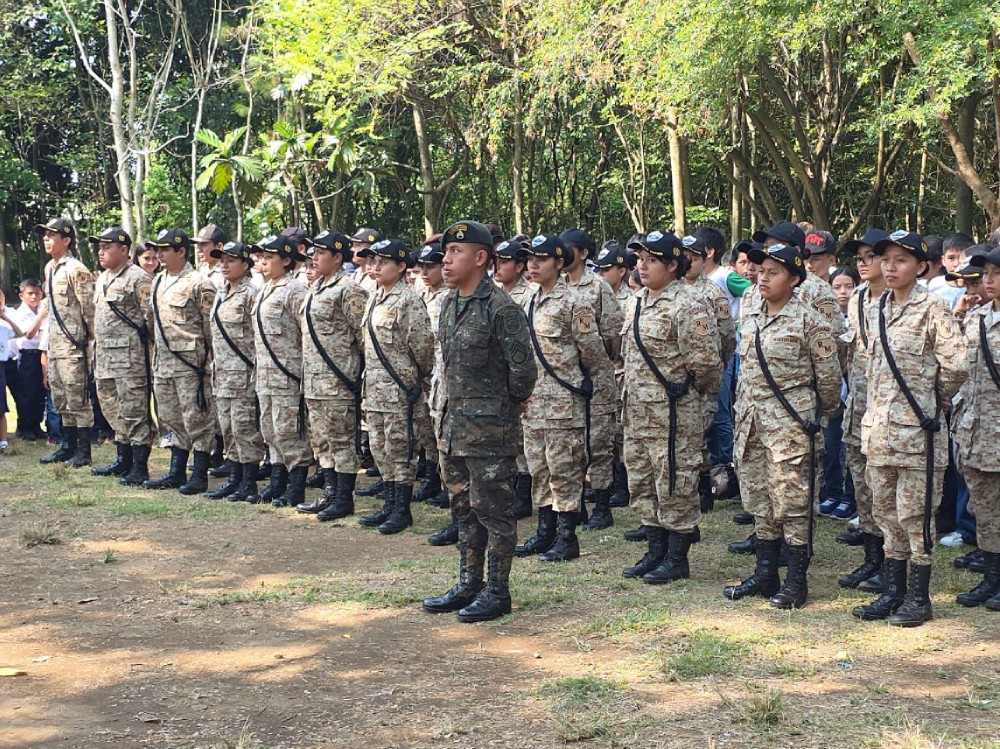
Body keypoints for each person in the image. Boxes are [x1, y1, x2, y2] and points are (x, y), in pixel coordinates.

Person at [422, 220, 536, 622]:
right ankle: (468, 582)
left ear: (481, 258)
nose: (446, 260)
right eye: (446, 252)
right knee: (463, 511)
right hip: (453, 427)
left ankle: (497, 590)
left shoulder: (501, 309)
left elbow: (524, 373)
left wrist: (506, 404)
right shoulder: (450, 303)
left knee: (494, 511)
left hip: (489, 430)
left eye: (456, 252)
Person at [853, 231, 967, 627]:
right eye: (885, 259)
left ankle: (919, 599)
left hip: (918, 432)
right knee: (885, 513)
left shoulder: (933, 308)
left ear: (920, 267)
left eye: (900, 260)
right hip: (880, 431)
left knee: (915, 517)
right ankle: (893, 592)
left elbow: (956, 365)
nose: (890, 267)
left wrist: (935, 398)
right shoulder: (875, 308)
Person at [723, 243, 841, 609]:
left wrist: (812, 417)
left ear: (793, 279)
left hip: (791, 427)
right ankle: (765, 574)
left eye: (773, 272)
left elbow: (830, 383)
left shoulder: (810, 321)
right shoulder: (751, 313)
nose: (762, 278)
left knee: (793, 504)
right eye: (760, 271)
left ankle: (796, 581)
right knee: (760, 501)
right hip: (753, 425)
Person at [620, 230, 720, 584]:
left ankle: (677, 558)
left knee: (675, 482)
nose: (641, 266)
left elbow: (707, 365)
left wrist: (690, 395)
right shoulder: (636, 301)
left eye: (651, 260)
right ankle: (655, 550)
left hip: (674, 413)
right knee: (643, 480)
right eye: (639, 259)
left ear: (673, 265)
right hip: (636, 412)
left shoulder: (689, 305)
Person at [515, 233, 606, 562]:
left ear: (558, 262)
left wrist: (591, 389)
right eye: (530, 259)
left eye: (541, 259)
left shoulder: (574, 302)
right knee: (539, 468)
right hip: (534, 402)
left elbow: (593, 352)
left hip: (564, 403)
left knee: (564, 469)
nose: (533, 265)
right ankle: (545, 531)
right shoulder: (530, 299)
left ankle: (567, 537)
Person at [357, 238, 435, 534]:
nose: (375, 267)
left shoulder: (408, 300)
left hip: (400, 390)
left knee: (401, 450)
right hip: (375, 389)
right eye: (373, 261)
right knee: (380, 448)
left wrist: (414, 379)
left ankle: (401, 510)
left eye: (383, 262)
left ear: (402, 267)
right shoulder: (375, 296)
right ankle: (388, 504)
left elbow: (423, 347)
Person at [296, 230, 367, 519]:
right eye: (313, 252)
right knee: (321, 441)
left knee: (341, 440)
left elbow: (363, 336)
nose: (315, 257)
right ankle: (329, 493)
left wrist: (358, 378)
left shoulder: (348, 289)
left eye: (321, 252)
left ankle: (343, 498)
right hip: (313, 380)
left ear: (338, 257)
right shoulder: (315, 287)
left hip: (338, 381)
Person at [143, 228, 218, 494]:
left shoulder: (198, 283)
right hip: (163, 363)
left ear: (181, 251)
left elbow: (212, 328)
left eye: (165, 249)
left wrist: (210, 361)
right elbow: (153, 324)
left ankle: (199, 474)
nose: (160, 254)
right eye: (158, 249)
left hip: (191, 364)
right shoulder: (157, 281)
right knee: (170, 418)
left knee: (197, 418)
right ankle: (176, 471)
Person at [559, 228, 624, 530]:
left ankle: (601, 504)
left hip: (596, 377)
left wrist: (599, 365)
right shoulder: (556, 286)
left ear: (583, 253)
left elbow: (612, 333)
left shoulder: (597, 287)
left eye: (568, 249)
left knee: (598, 442)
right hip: (565, 380)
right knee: (571, 444)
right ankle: (577, 504)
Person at [835, 229, 889, 592]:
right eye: (859, 258)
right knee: (863, 489)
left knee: (887, 493)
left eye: (871, 256)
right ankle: (871, 560)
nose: (864, 263)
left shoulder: (906, 303)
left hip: (890, 414)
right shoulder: (856, 298)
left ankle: (891, 564)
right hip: (857, 410)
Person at [248, 234, 312, 506]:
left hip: (288, 374)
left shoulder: (294, 290)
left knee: (289, 431)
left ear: (286, 260)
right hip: (265, 374)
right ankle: (278, 482)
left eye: (269, 257)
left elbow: (307, 334)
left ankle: (296, 487)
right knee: (270, 430)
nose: (263, 262)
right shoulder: (264, 289)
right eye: (261, 257)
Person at [89, 227, 156, 485]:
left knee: (134, 411)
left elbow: (150, 321)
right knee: (111, 408)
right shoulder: (104, 278)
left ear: (125, 250)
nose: (101, 251)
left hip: (131, 360)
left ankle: (139, 466)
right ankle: (123, 459)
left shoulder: (138, 278)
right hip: (105, 358)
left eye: (107, 247)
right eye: (99, 247)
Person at [953, 247, 1000, 609]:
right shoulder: (977, 317)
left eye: (996, 274)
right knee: (983, 508)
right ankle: (991, 576)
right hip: (977, 430)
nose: (989, 280)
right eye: (987, 274)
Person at [205, 241, 265, 502]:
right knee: (228, 428)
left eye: (230, 260)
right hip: (222, 373)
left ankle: (248, 482)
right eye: (221, 260)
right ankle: (235, 478)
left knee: (245, 428)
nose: (224, 265)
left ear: (246, 264)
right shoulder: (221, 292)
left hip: (244, 373)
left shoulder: (252, 293)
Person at [682, 233, 737, 509]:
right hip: (674, 380)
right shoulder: (671, 291)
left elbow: (727, 337)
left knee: (703, 431)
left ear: (704, 260)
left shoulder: (713, 293)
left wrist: (716, 367)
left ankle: (706, 486)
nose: (687, 263)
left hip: (703, 378)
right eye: (683, 258)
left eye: (693, 259)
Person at [37, 218, 95, 468]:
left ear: (67, 240)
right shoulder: (50, 268)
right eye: (45, 236)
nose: (46, 240)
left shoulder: (76, 269)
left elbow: (90, 309)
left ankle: (83, 451)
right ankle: (67, 446)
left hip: (74, 346)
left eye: (52, 236)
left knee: (77, 397)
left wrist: (91, 342)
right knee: (60, 397)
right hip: (56, 345)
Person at [493, 237, 535, 519]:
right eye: (496, 259)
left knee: (524, 445)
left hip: (521, 380)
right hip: (496, 380)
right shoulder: (491, 294)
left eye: (505, 261)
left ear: (520, 266)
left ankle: (523, 498)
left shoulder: (528, 296)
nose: (499, 266)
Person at [594, 241, 636, 510]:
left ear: (622, 271)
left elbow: (617, 340)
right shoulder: (595, 294)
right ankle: (608, 485)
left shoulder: (631, 300)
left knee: (622, 434)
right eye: (599, 268)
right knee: (603, 435)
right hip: (602, 374)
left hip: (622, 372)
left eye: (607, 269)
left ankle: (623, 486)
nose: (601, 273)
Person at [415, 237, 449, 508]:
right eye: (421, 267)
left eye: (431, 267)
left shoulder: (450, 297)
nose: (425, 273)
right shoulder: (422, 294)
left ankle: (445, 485)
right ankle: (431, 479)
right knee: (427, 432)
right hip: (427, 376)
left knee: (443, 434)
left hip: (444, 377)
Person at [8, 279, 47, 440]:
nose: (34, 297)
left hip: (41, 353)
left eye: (37, 293)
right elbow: (29, 334)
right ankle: (24, 427)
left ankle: (36, 424)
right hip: (27, 354)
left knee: (40, 392)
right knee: (27, 393)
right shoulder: (20, 313)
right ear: (22, 295)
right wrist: (40, 317)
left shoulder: (43, 308)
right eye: (30, 293)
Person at [0, 291, 27, 453]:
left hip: (2, 365)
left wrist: (6, 318)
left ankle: (3, 439)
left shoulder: (4, 326)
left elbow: (19, 333)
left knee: (1, 405)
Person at [193, 224, 227, 290]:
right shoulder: (202, 267)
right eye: (198, 245)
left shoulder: (227, 270)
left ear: (219, 246)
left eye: (204, 245)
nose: (198, 249)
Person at [349, 228, 381, 295]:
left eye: (357, 244)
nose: (352, 249)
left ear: (371, 247)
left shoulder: (378, 276)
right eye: (353, 244)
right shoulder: (356, 273)